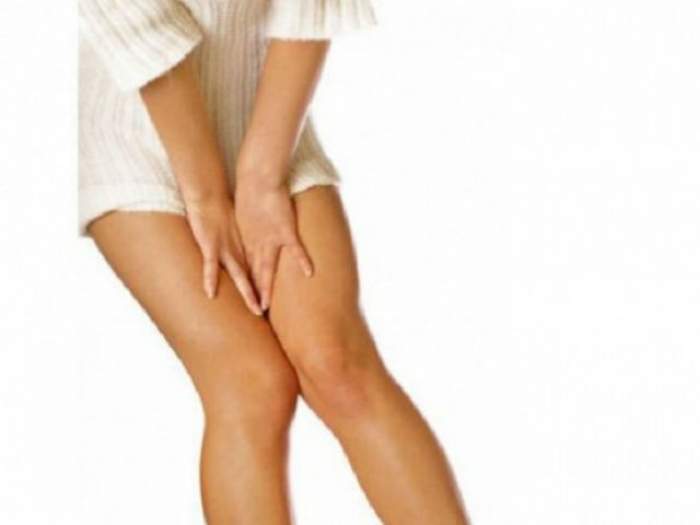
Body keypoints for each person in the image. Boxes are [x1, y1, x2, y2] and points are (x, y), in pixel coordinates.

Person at [78, 0, 471, 523]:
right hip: (133, 123)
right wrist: (208, 194)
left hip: (267, 118)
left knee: (336, 363)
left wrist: (261, 176)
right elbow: (137, 23)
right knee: (252, 383)